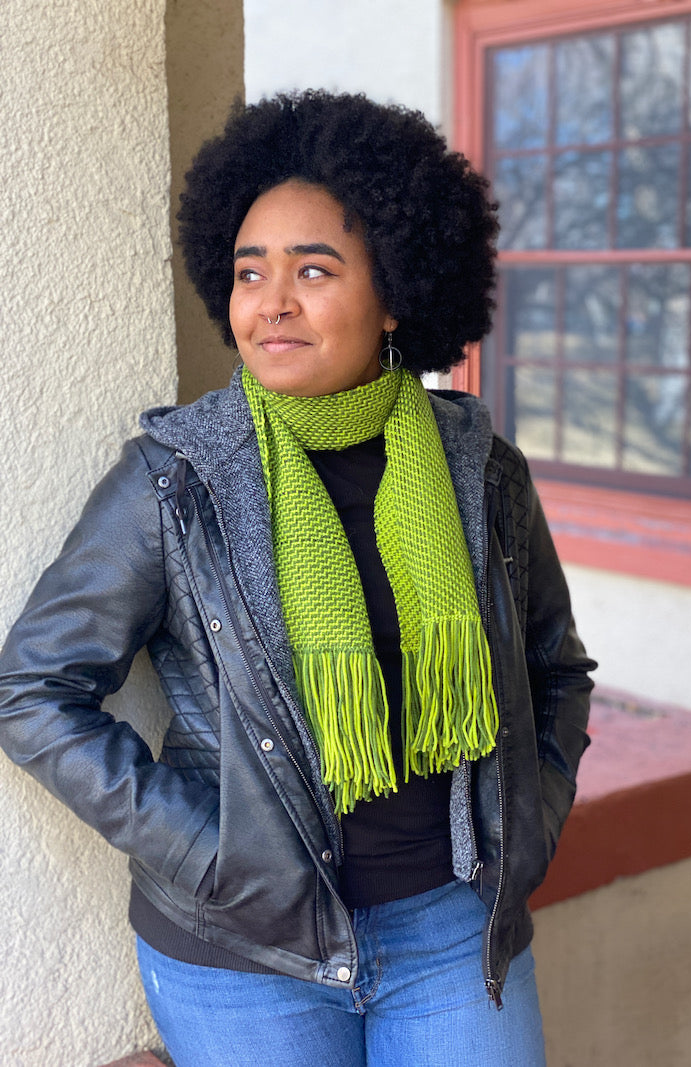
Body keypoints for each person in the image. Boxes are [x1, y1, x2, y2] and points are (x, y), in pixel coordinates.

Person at [0, 90, 595, 1066]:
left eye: (312, 269)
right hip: (242, 951)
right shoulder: (176, 479)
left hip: (453, 931)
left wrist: (528, 819)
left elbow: (552, 667)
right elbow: (35, 691)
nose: (269, 300)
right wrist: (208, 856)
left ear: (395, 290)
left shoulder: (477, 469)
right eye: (248, 272)